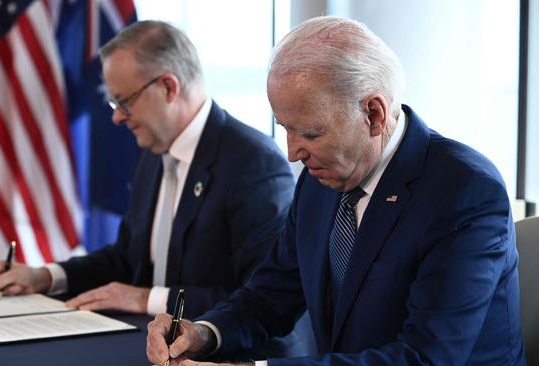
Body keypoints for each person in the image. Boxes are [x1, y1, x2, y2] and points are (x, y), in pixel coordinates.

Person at [146, 16, 526, 365]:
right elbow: (270, 296)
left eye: (310, 132)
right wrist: (204, 334)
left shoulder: (466, 193)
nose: (293, 153)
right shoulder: (322, 177)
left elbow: (425, 358)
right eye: (285, 128)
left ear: (374, 114)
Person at [0, 20, 294, 322]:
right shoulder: (154, 152)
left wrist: (145, 299)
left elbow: (262, 299)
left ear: (168, 87)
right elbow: (126, 259)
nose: (117, 118)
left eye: (124, 102)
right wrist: (45, 276)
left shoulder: (253, 163)